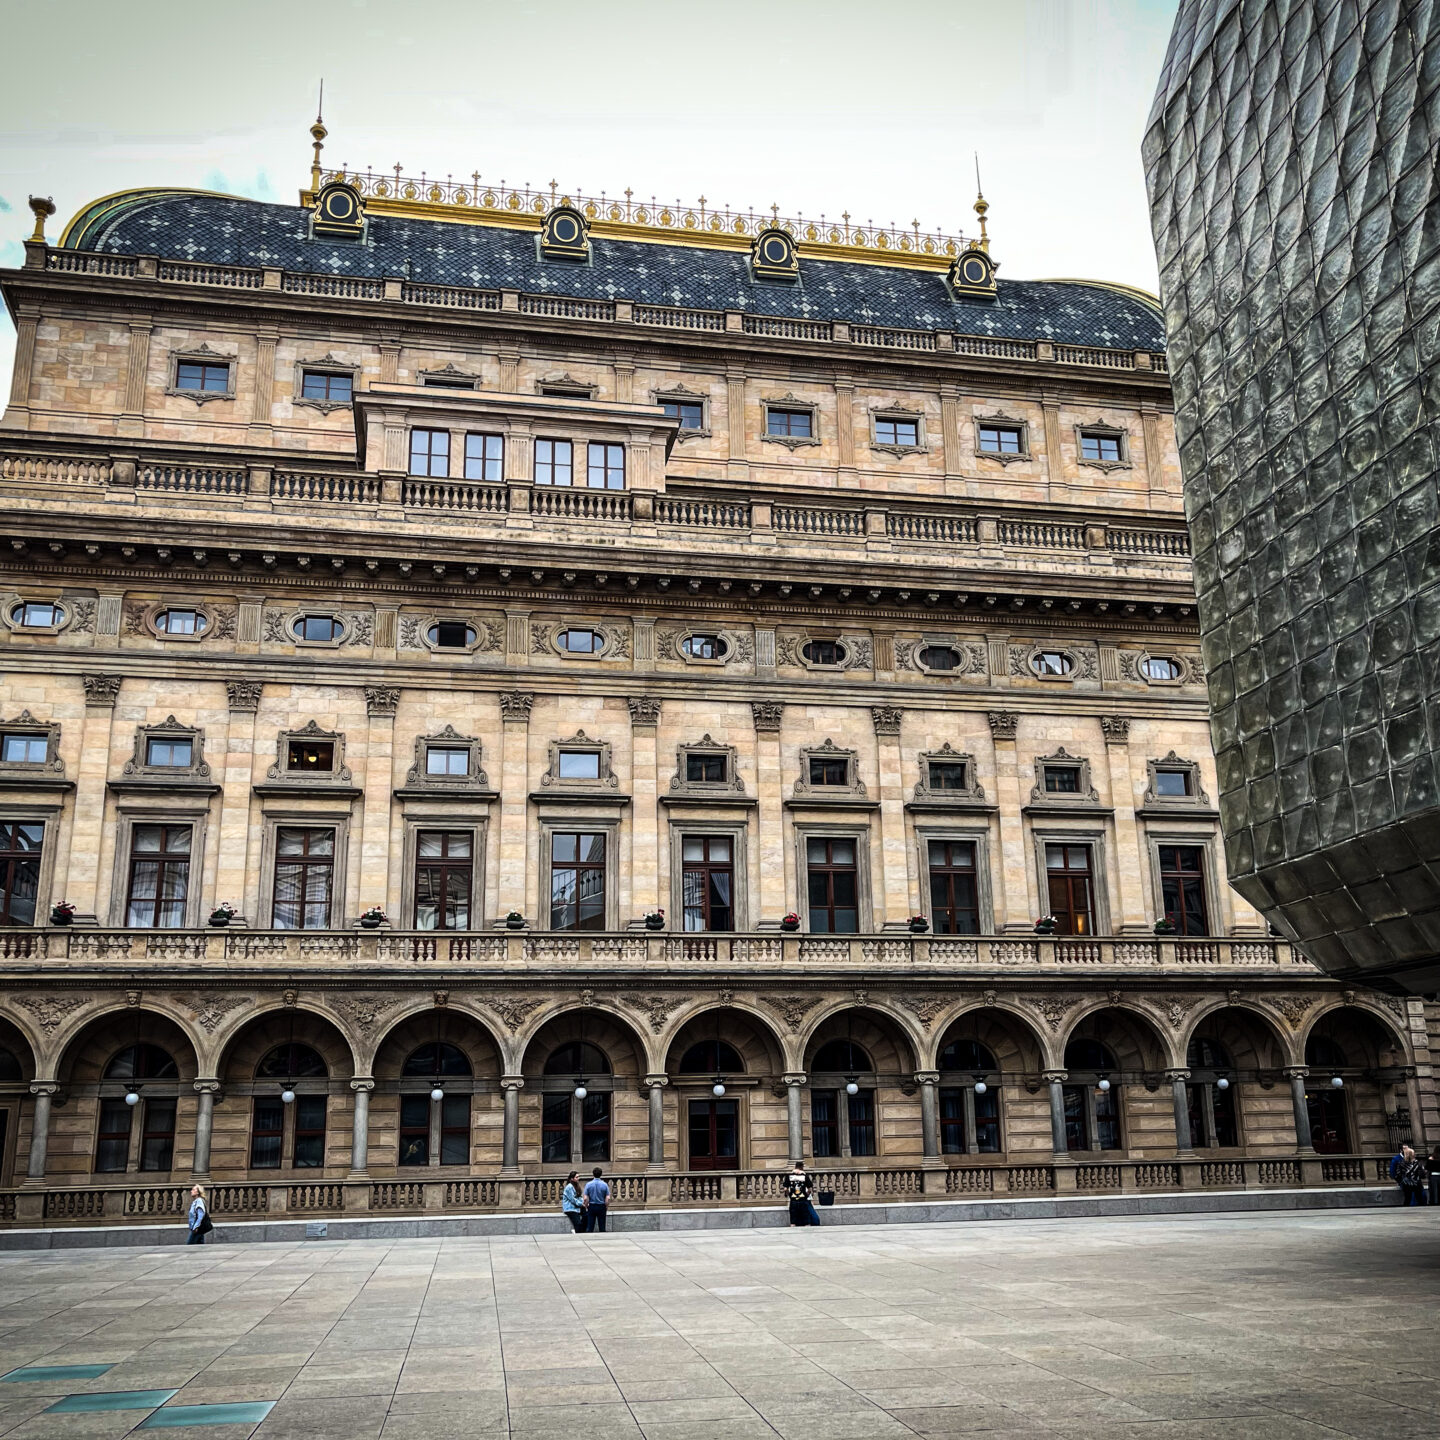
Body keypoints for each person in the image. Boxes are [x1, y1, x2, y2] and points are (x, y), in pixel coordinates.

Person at [786, 1161, 818, 1226]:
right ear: (802, 1167)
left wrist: (789, 1195)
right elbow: (809, 1189)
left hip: (793, 1200)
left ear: (795, 1166)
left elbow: (785, 1189)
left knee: (793, 1222)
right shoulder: (805, 1176)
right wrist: (807, 1195)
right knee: (806, 1221)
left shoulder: (789, 1176)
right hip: (803, 1200)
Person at [583, 1167, 610, 1232]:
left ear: (593, 1174)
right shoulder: (605, 1184)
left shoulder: (588, 1184)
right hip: (601, 1206)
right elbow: (608, 1198)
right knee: (602, 1226)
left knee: (590, 1226)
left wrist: (586, 1206)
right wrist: (606, 1206)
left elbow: (585, 1198)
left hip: (592, 1206)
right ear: (601, 1174)